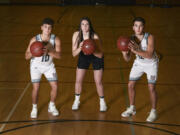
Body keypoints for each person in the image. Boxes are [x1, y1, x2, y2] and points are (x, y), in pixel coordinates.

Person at [121, 17, 159, 122]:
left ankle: (153, 111)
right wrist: (124, 53)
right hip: (139, 63)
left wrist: (136, 50)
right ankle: (132, 108)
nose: (138, 28)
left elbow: (150, 55)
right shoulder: (130, 39)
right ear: (133, 27)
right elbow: (128, 59)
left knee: (151, 88)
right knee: (130, 85)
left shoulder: (150, 37)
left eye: (141, 26)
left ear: (144, 27)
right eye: (136, 26)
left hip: (151, 64)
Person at [25, 18, 61, 118]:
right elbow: (26, 56)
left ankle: (52, 106)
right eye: (45, 27)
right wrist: (35, 51)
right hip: (36, 66)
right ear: (41, 28)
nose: (47, 30)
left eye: (49, 28)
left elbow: (59, 56)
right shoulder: (34, 39)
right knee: (36, 88)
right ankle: (34, 108)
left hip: (49, 66)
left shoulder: (55, 39)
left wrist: (49, 51)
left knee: (55, 86)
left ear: (52, 29)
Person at [71, 17, 107, 112]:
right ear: (80, 26)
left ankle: (102, 102)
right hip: (83, 55)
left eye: (87, 24)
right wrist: (80, 47)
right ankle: (76, 101)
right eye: (82, 24)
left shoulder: (94, 36)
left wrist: (92, 49)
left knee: (98, 81)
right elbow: (74, 54)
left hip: (96, 56)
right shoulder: (76, 35)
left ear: (90, 26)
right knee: (78, 80)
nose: (84, 26)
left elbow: (101, 54)